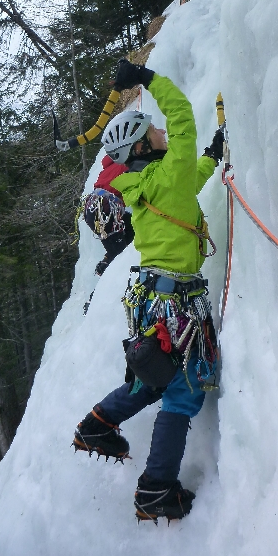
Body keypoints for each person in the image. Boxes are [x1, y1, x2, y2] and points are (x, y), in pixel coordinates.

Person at [73, 59, 224, 523]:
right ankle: (156, 487)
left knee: (151, 378)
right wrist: (146, 79)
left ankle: (97, 425)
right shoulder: (165, 175)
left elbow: (185, 183)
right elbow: (182, 118)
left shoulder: (142, 184)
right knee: (184, 390)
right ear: (142, 144)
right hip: (178, 303)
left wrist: (212, 159)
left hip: (150, 301)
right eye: (152, 130)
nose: (162, 130)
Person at [82, 155, 134, 276]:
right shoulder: (126, 166)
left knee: (130, 228)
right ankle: (109, 280)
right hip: (107, 210)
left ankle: (106, 262)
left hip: (94, 209)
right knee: (120, 253)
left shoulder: (108, 169)